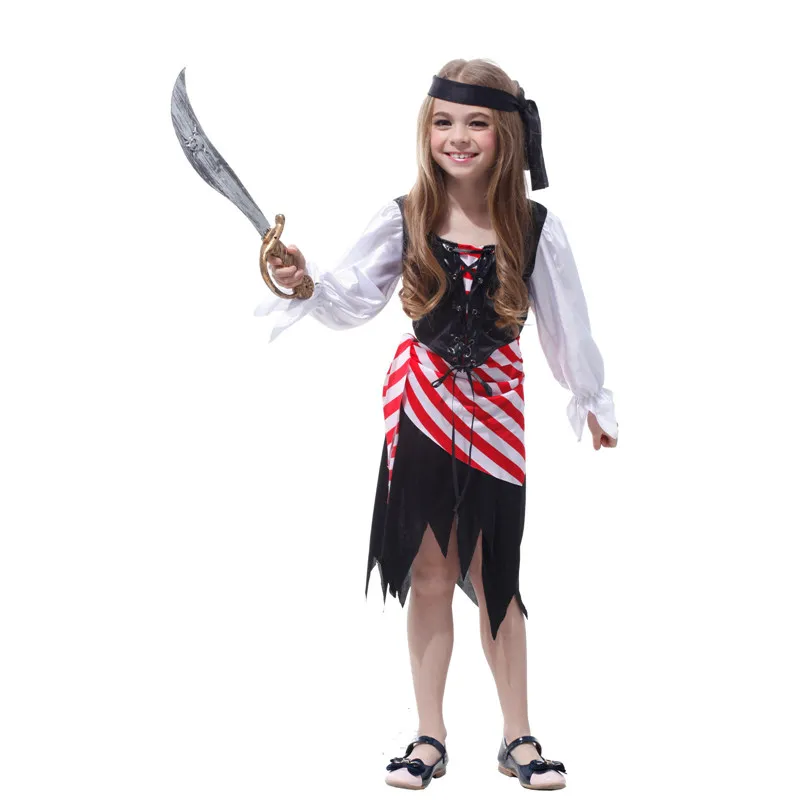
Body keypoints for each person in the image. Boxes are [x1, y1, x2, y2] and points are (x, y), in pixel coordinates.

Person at [255, 58, 618, 792]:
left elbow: (566, 324)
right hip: (421, 408)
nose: (457, 137)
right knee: (429, 572)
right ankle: (429, 734)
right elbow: (350, 298)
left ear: (507, 133)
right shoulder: (406, 216)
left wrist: (589, 397)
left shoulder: (535, 228)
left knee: (496, 573)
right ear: (426, 131)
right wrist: (302, 281)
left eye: (476, 122)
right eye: (443, 122)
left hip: (496, 409)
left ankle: (518, 736)